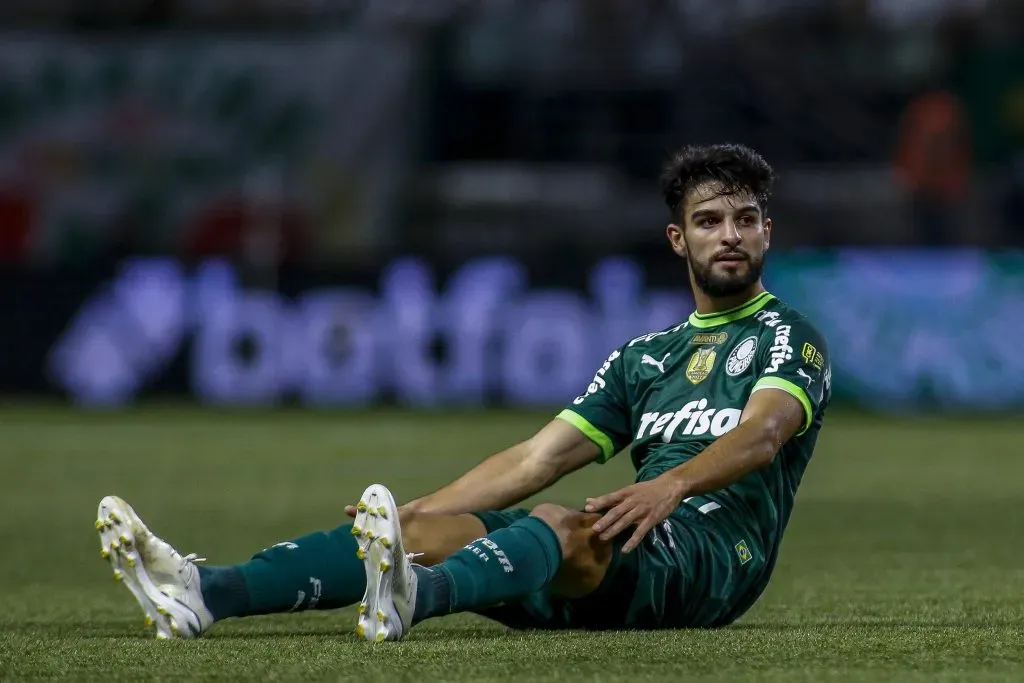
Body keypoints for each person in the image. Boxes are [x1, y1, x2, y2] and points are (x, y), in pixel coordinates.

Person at [95, 143, 831, 641]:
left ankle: (416, 597)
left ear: (766, 232)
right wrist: (421, 510)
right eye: (709, 221)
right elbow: (539, 457)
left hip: (710, 561)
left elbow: (764, 433)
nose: (728, 235)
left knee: (564, 524)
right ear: (679, 239)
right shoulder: (646, 357)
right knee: (420, 531)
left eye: (744, 221)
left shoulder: (786, 335)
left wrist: (669, 484)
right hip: (630, 551)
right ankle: (206, 591)